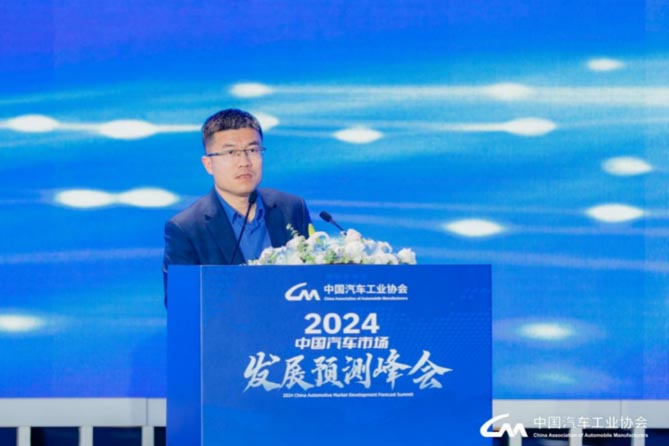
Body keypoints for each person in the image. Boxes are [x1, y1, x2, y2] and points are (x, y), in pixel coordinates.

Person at [162, 109, 312, 302]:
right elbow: (181, 304)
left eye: (252, 150)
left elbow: (313, 282)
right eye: (231, 152)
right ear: (208, 164)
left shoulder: (291, 208)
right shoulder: (186, 228)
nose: (244, 162)